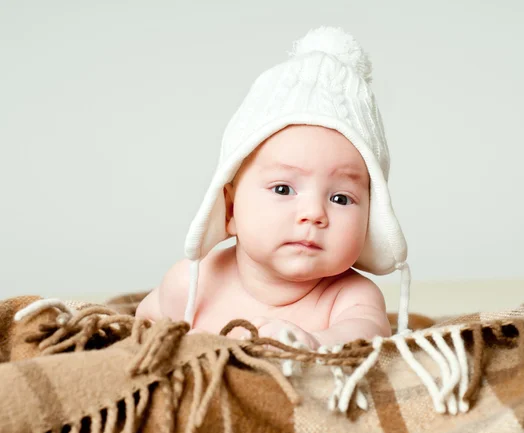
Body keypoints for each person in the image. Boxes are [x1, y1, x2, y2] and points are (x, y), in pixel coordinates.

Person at [136, 26, 411, 348]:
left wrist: (312, 341)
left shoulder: (350, 297)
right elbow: (137, 331)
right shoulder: (191, 282)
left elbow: (366, 335)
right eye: (283, 189)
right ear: (230, 210)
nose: (314, 214)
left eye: (340, 198)